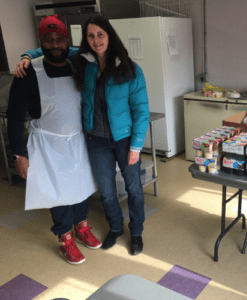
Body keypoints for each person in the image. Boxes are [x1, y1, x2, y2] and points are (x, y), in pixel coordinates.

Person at [16, 15, 150, 255]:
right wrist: (27, 56)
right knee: (107, 192)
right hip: (95, 141)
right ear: (85, 40)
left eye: (100, 34)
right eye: (91, 36)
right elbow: (51, 46)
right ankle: (116, 228)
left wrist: (136, 146)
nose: (96, 40)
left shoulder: (130, 69)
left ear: (109, 35)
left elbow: (141, 110)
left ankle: (137, 232)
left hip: (125, 140)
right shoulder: (82, 62)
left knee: (133, 188)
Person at [7, 15, 101, 265]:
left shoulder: (75, 61)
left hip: (77, 140)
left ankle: (81, 226)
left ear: (67, 40)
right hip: (47, 144)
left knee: (81, 185)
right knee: (56, 193)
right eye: (49, 39)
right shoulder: (28, 71)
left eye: (60, 38)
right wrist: (19, 154)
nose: (55, 44)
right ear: (41, 42)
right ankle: (65, 237)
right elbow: (15, 117)